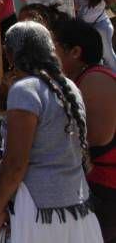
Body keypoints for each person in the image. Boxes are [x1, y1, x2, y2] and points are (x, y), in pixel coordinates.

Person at [0, 21, 103, 242]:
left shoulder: (25, 90)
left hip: (39, 213)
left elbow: (15, 164)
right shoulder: (69, 86)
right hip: (77, 208)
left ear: (10, 54)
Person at [52, 18, 116, 241]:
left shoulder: (95, 79)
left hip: (107, 188)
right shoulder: (87, 77)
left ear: (75, 52)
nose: (51, 54)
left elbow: (96, 139)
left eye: (55, 47)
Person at [76, 0, 116, 69]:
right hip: (87, 29)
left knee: (107, 55)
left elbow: (112, 1)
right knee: (95, 56)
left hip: (101, 26)